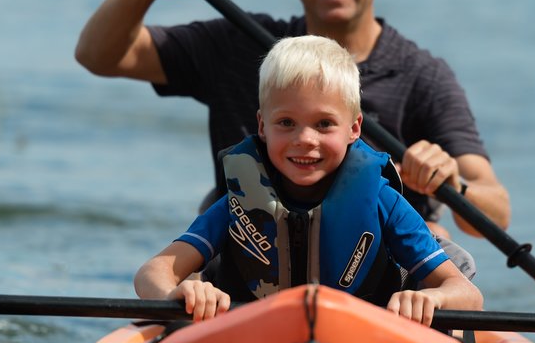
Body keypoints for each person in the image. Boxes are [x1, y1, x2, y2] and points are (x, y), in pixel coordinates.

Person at [75, 0, 511, 249]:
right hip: (252, 276)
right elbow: (99, 55)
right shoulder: (239, 44)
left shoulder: (422, 76)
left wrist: (450, 182)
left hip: (381, 286)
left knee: (435, 235)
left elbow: (496, 212)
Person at [133, 35, 484, 325]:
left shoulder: (383, 201)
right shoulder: (236, 204)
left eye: (324, 124)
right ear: (261, 127)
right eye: (286, 122)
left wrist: (431, 297)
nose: (305, 138)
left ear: (354, 128)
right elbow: (153, 272)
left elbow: (467, 294)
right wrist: (179, 294)